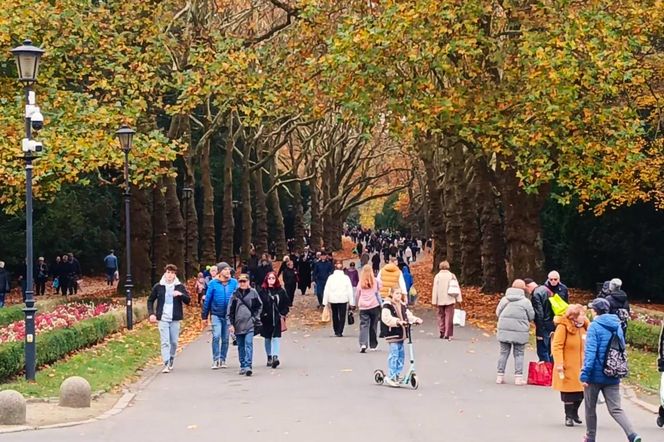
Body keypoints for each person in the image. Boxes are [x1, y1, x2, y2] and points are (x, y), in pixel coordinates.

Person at [581, 298, 642, 442]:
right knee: (616, 409)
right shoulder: (617, 325)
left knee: (590, 408)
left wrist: (584, 374)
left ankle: (590, 437)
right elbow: (621, 348)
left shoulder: (594, 326)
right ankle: (632, 434)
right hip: (613, 372)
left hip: (594, 375)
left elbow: (591, 352)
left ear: (595, 310)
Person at [148, 264, 190, 373]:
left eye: (172, 273)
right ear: (165, 273)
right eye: (168, 272)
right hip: (162, 318)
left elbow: (188, 300)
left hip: (175, 318)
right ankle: (166, 362)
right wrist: (151, 313)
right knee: (165, 341)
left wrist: (180, 294)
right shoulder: (159, 286)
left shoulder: (179, 286)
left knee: (174, 342)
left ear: (175, 275)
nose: (170, 275)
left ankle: (171, 357)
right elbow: (150, 300)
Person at [552, 303, 589, 427]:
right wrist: (559, 363)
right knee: (568, 392)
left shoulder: (585, 327)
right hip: (568, 364)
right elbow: (557, 346)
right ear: (573, 316)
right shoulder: (563, 327)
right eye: (582, 314)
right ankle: (568, 416)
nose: (584, 316)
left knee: (581, 392)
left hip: (583, 365)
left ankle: (574, 412)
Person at [495, 279, 535, 385]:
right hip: (520, 331)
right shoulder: (526, 302)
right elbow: (531, 316)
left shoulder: (505, 299)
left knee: (503, 353)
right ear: (523, 289)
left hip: (504, 329)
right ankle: (518, 378)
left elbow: (498, 312)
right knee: (519, 354)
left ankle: (499, 376)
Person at [380, 288, 422, 387]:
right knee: (394, 354)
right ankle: (392, 375)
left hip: (401, 333)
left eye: (400, 293)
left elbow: (408, 316)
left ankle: (397, 374)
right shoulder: (387, 305)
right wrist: (397, 321)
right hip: (393, 332)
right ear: (392, 294)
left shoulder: (403, 305)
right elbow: (386, 318)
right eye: (396, 293)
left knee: (401, 355)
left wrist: (415, 319)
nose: (399, 295)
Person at [202, 262, 238, 369]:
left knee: (226, 338)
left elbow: (239, 297)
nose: (228, 271)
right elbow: (208, 300)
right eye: (225, 269)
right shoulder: (213, 283)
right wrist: (204, 316)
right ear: (220, 271)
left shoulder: (234, 283)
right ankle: (215, 359)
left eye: (229, 269)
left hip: (228, 316)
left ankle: (223, 359)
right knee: (216, 335)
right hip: (216, 314)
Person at [531, 270, 570, 362]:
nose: (553, 281)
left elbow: (566, 303)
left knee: (556, 344)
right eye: (551, 279)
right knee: (546, 345)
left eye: (555, 279)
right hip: (547, 319)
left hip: (559, 318)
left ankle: (553, 364)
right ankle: (549, 366)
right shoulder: (543, 289)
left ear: (559, 279)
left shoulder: (563, 289)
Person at [229, 273, 262, 376]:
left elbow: (259, 306)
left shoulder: (253, 293)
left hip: (249, 323)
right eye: (241, 281)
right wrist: (230, 324)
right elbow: (230, 310)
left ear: (248, 282)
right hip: (238, 324)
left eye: (244, 281)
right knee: (241, 346)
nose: (242, 283)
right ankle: (242, 365)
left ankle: (248, 365)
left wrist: (255, 318)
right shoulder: (235, 295)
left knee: (249, 344)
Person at [258, 272, 289, 368]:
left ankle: (275, 357)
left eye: (273, 278)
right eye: (269, 278)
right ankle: (269, 356)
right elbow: (259, 305)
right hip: (266, 319)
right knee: (267, 338)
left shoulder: (281, 291)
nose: (271, 280)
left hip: (277, 318)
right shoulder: (262, 291)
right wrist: (263, 314)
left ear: (276, 279)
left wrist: (283, 314)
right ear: (266, 280)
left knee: (276, 337)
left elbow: (286, 304)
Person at [323, 259, 355, 337]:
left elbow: (326, 289)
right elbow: (350, 290)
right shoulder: (346, 278)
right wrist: (352, 302)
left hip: (333, 299)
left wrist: (325, 302)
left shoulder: (331, 277)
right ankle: (340, 330)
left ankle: (336, 329)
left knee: (335, 314)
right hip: (343, 299)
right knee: (342, 315)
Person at [431, 260, 461, 340]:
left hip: (440, 299)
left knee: (441, 316)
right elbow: (456, 288)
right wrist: (459, 299)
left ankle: (442, 330)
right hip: (450, 298)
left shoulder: (437, 276)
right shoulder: (452, 275)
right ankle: (448, 333)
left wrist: (434, 300)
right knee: (449, 317)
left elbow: (435, 289)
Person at [355, 264, 382, 352]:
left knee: (364, 325)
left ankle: (363, 344)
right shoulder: (376, 282)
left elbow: (357, 294)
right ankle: (373, 344)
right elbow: (378, 293)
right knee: (373, 325)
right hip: (374, 305)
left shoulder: (360, 283)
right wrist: (381, 304)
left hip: (363, 306)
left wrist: (356, 303)